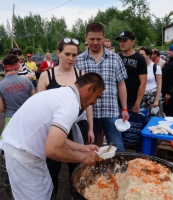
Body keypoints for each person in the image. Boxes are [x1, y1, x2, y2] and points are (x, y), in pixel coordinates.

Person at [0, 72, 104, 200]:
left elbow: (57, 139)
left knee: (47, 192)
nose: (94, 102)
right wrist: (83, 158)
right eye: (97, 97)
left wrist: (83, 148)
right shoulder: (70, 104)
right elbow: (53, 149)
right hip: (21, 156)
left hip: (24, 150)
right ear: (89, 88)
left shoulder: (64, 94)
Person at [37, 37, 94, 196]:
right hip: (54, 127)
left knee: (77, 166)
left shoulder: (81, 76)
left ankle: (76, 195)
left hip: (77, 125)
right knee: (52, 165)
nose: (70, 58)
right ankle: (51, 194)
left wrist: (90, 128)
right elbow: (40, 106)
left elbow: (88, 104)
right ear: (58, 54)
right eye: (67, 54)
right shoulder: (46, 76)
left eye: (74, 55)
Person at [74, 22, 129, 152]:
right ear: (85, 38)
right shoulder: (78, 60)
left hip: (110, 111)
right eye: (92, 39)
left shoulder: (115, 59)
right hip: (86, 113)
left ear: (104, 37)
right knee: (89, 149)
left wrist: (125, 108)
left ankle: (120, 172)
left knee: (118, 148)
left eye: (99, 39)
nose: (95, 42)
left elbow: (121, 85)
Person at [115, 30, 147, 114]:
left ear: (132, 42)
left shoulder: (139, 58)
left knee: (133, 126)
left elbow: (143, 82)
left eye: (125, 41)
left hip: (132, 101)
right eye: (120, 41)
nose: (121, 43)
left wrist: (137, 103)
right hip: (117, 101)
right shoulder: (117, 57)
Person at [0, 54, 35, 129]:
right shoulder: (27, 81)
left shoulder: (1, 85)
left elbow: (1, 108)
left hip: (11, 119)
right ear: (17, 67)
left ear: (5, 68)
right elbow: (34, 100)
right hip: (27, 117)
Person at [139, 47, 162, 115]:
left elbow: (159, 85)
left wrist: (157, 100)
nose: (140, 56)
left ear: (148, 55)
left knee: (152, 117)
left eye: (142, 54)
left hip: (152, 95)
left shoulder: (155, 67)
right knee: (142, 116)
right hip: (141, 96)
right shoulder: (139, 67)